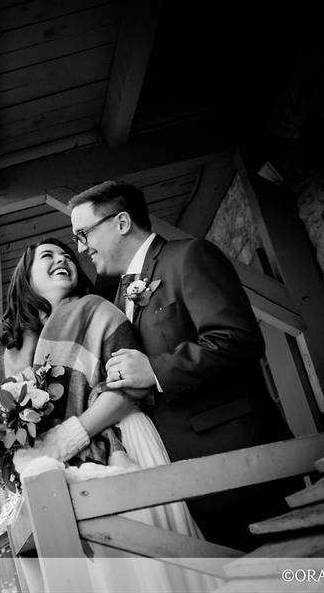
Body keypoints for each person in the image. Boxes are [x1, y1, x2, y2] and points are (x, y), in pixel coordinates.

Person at [69, 180, 294, 550]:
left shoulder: (189, 257)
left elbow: (237, 340)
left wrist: (155, 371)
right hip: (180, 477)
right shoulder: (117, 296)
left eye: (84, 233)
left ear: (121, 222)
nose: (82, 247)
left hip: (238, 461)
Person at [0, 239, 211, 544]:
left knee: (154, 546)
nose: (62, 260)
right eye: (48, 256)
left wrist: (69, 437)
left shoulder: (98, 310)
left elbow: (129, 387)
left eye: (68, 256)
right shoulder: (16, 351)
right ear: (27, 278)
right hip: (55, 465)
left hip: (120, 438)